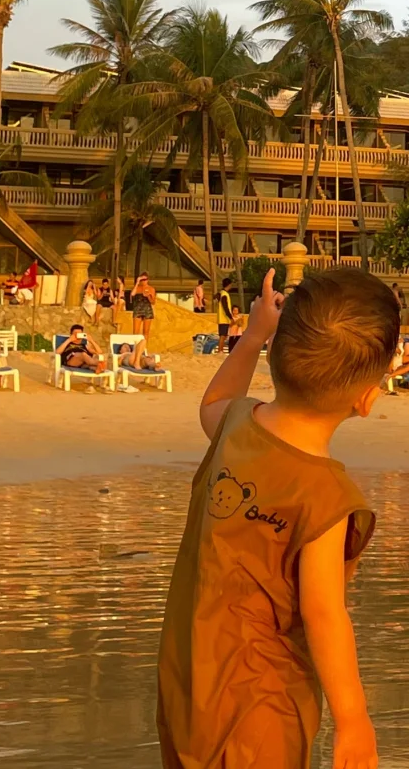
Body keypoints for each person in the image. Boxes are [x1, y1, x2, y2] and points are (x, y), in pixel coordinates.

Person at [157, 266, 396, 769]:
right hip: (263, 709)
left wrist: (253, 337)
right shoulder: (326, 495)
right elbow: (324, 613)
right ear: (367, 397)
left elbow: (215, 401)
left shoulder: (236, 426)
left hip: (185, 685)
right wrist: (353, 719)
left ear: (280, 356)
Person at [130, 274, 156, 342]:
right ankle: (135, 347)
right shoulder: (137, 288)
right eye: (142, 280)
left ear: (148, 280)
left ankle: (144, 348)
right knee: (135, 332)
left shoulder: (151, 289)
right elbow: (132, 294)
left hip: (147, 310)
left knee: (146, 332)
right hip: (138, 309)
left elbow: (153, 302)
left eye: (145, 279)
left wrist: (148, 296)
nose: (143, 281)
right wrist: (137, 282)